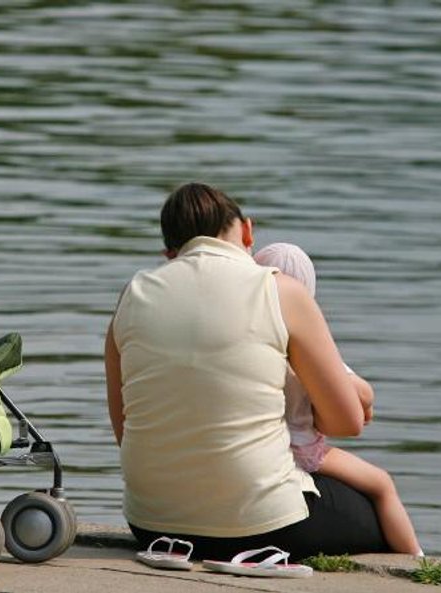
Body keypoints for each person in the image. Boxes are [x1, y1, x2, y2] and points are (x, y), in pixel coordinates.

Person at [105, 182, 390, 561]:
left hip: (151, 524)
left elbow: (125, 427)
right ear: (247, 231)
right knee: (374, 512)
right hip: (265, 524)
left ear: (170, 252)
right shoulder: (280, 290)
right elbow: (347, 423)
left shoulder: (132, 294)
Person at [253, 242, 422, 556]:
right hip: (304, 453)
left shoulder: (251, 342)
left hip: (257, 449)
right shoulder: (310, 347)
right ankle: (416, 560)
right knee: (382, 485)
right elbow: (363, 396)